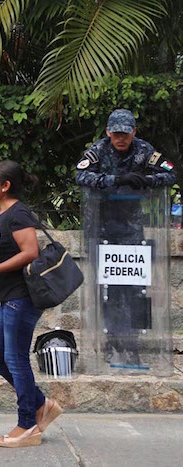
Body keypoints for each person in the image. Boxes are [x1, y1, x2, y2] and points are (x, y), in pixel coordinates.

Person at [75, 109, 175, 366]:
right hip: (101, 229)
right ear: (108, 132)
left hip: (131, 230)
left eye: (125, 133)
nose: (120, 138)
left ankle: (132, 345)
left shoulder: (144, 150)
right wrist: (116, 179)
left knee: (133, 289)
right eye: (116, 133)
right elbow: (81, 175)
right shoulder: (98, 150)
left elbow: (170, 174)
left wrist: (145, 180)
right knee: (108, 290)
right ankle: (111, 343)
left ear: (134, 132)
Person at [0, 160, 62, 448]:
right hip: (7, 298)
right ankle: (40, 404)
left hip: (22, 298)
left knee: (15, 359)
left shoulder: (19, 213)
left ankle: (28, 425)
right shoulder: (0, 215)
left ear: (5, 185)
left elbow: (30, 252)